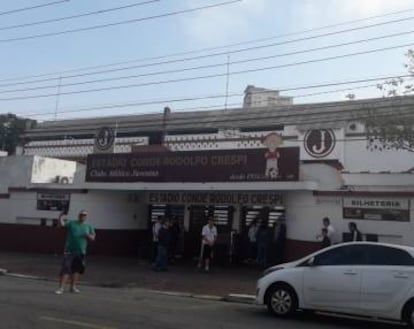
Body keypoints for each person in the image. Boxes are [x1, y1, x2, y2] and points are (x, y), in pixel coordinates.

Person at [55, 210, 95, 295]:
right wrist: (60, 216)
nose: (82, 216)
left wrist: (87, 235)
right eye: (81, 215)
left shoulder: (89, 226)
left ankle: (73, 287)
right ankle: (61, 288)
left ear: (86, 217)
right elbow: (61, 225)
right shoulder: (72, 223)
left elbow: (93, 238)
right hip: (69, 251)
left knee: (76, 270)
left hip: (81, 251)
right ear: (78, 215)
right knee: (66, 269)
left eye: (84, 215)